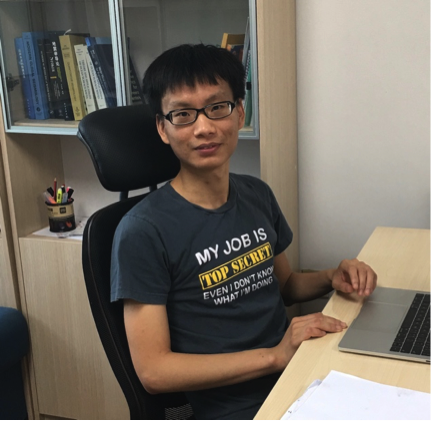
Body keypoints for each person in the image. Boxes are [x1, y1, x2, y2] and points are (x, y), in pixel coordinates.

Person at [110, 44, 378, 420]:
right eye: (183, 114)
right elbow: (154, 371)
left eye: (217, 107)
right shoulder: (142, 232)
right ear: (163, 128)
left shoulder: (256, 194)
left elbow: (285, 286)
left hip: (301, 375)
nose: (204, 127)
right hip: (239, 407)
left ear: (239, 112)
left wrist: (331, 277)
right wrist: (276, 356)